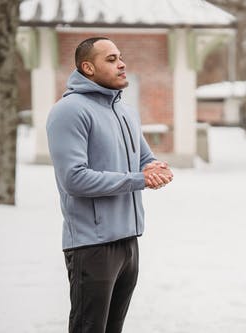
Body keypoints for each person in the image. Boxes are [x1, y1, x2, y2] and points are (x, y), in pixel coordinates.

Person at [46, 36, 173, 333]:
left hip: (128, 241)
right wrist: (139, 179)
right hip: (91, 245)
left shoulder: (125, 111)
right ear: (88, 67)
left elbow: (144, 159)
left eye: (121, 57)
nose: (122, 64)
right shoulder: (69, 111)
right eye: (112, 59)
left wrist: (154, 168)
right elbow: (74, 179)